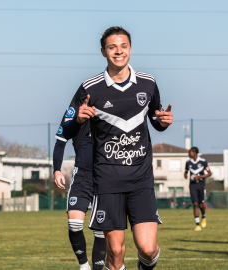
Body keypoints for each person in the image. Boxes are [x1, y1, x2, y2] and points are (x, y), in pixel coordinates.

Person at [62, 26, 173, 270]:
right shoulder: (89, 88)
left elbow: (155, 119)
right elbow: (66, 129)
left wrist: (162, 122)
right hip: (107, 180)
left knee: (147, 248)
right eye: (112, 47)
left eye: (123, 46)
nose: (118, 51)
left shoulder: (148, 83)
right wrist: (78, 120)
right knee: (115, 250)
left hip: (141, 179)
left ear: (130, 49)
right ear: (103, 52)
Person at [53, 113, 106, 269]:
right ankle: (84, 265)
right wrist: (57, 170)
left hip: (105, 177)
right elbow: (60, 140)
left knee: (101, 230)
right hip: (82, 175)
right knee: (74, 223)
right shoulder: (76, 110)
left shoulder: (111, 107)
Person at [184, 147, 211, 231]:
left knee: (201, 205)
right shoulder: (188, 163)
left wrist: (199, 177)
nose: (188, 154)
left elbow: (209, 173)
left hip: (201, 185)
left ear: (194, 153)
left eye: (190, 152)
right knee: (195, 204)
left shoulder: (203, 162)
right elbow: (185, 172)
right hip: (192, 186)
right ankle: (197, 225)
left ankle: (203, 216)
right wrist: (185, 175)